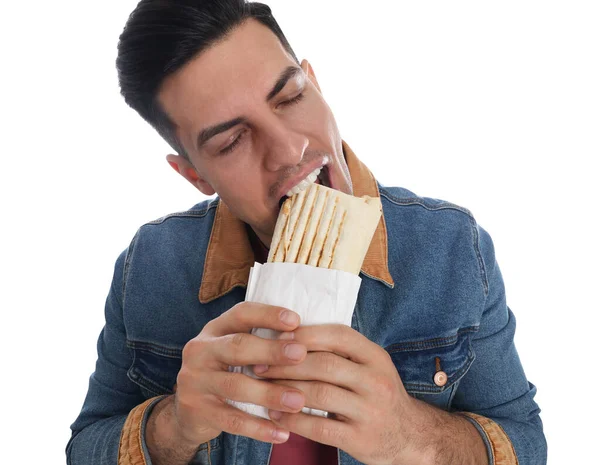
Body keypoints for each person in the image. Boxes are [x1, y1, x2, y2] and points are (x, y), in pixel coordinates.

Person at [67, 1, 547, 464]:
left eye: (290, 96)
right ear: (195, 175)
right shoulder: (150, 266)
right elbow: (85, 446)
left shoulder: (453, 248)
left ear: (314, 83)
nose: (289, 148)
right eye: (232, 141)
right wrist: (172, 426)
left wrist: (413, 438)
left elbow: (526, 442)